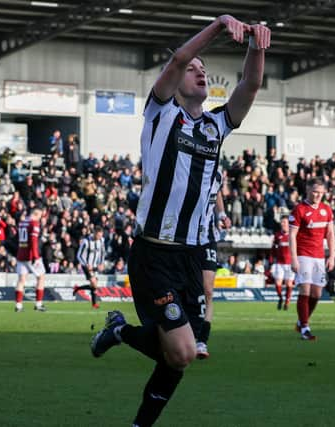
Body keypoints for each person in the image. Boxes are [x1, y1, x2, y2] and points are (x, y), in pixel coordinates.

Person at [89, 15, 270, 426]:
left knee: (179, 357)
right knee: (184, 350)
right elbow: (177, 60)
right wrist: (218, 26)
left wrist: (256, 48)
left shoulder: (216, 125)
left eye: (204, 70)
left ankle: (123, 348)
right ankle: (120, 337)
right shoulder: (161, 113)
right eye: (194, 69)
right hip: (154, 251)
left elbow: (250, 86)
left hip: (189, 254)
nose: (199, 71)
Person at [291, 177, 335, 341]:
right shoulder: (299, 209)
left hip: (319, 256)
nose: (318, 195)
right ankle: (305, 328)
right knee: (305, 290)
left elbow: (330, 234)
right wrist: (294, 258)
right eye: (315, 192)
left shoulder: (326, 210)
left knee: (317, 293)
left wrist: (332, 255)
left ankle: (301, 321)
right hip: (303, 254)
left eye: (321, 192)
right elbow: (292, 235)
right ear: (308, 190)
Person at [196, 167, 231, 359]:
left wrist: (222, 214)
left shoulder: (216, 172)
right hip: (186, 237)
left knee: (207, 289)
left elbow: (216, 192)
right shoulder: (188, 165)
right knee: (188, 288)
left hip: (208, 237)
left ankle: (202, 340)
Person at [14, 208, 46, 312]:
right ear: (36, 213)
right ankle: (38, 304)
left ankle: (18, 305)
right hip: (30, 255)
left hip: (20, 254)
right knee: (41, 277)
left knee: (21, 280)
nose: (40, 218)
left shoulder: (22, 223)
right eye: (40, 215)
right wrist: (36, 257)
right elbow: (33, 241)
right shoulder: (34, 223)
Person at [74, 226, 106, 309]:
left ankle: (78, 289)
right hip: (86, 265)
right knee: (94, 283)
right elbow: (79, 255)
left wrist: (102, 263)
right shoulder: (86, 241)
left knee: (94, 286)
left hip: (95, 265)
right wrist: (86, 264)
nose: (99, 237)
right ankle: (94, 303)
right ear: (94, 233)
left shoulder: (101, 240)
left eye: (100, 236)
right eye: (98, 236)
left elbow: (102, 252)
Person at [271, 216, 294, 311]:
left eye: (284, 222)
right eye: (282, 222)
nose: (283, 224)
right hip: (279, 263)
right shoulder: (277, 235)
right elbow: (273, 249)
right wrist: (272, 260)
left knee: (289, 283)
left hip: (290, 263)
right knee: (278, 283)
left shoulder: (293, 235)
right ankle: (280, 298)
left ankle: (287, 301)